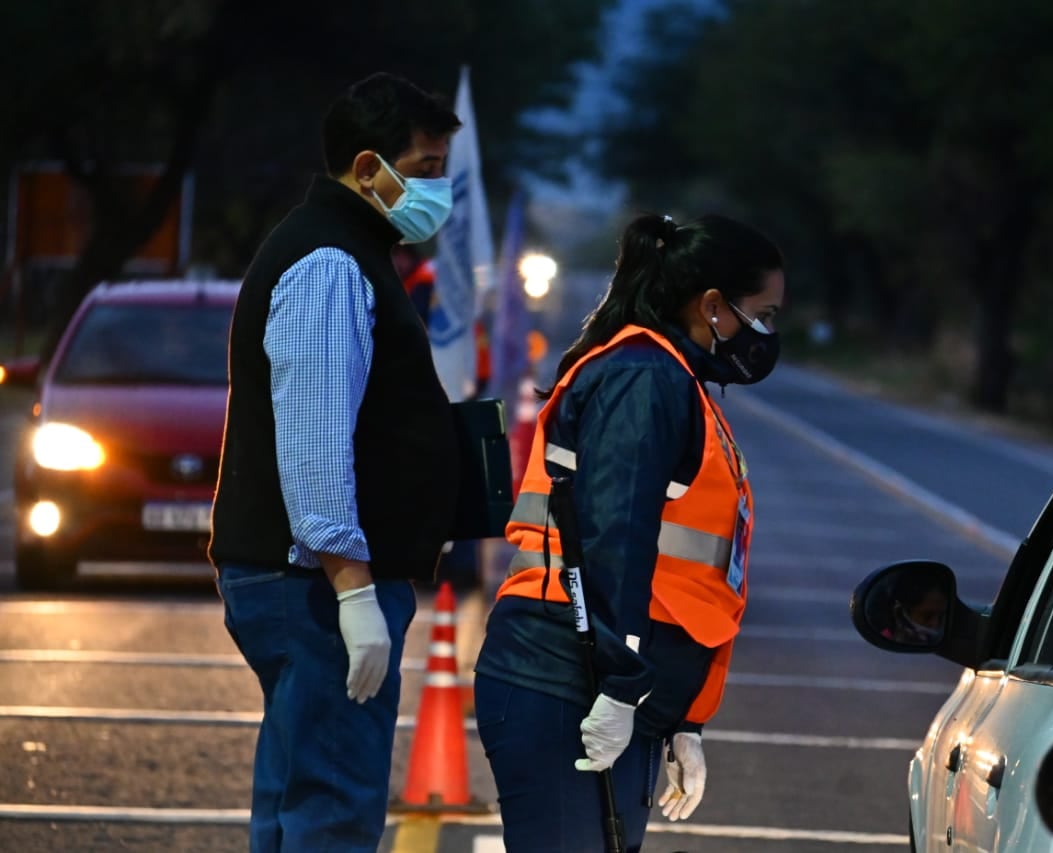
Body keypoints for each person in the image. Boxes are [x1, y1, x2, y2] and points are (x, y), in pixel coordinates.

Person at [474, 212, 785, 851]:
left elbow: (683, 569)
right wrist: (621, 687)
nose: (766, 333)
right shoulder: (644, 377)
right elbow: (616, 536)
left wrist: (682, 720)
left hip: (600, 682)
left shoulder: (670, 377)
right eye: (763, 314)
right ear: (712, 306)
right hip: (567, 678)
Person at [208, 72, 462, 853]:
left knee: (295, 800)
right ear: (366, 168)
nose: (437, 190)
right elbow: (315, 438)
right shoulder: (331, 262)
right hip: (315, 585)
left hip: (305, 580)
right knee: (332, 809)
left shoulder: (346, 250)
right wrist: (353, 591)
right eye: (423, 169)